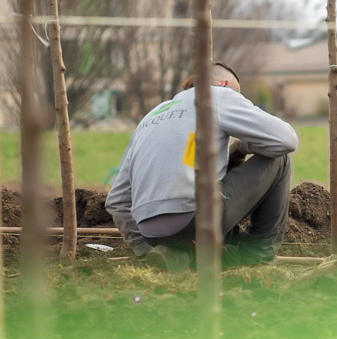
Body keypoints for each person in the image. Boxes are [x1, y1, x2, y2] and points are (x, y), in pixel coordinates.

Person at [105, 62, 299, 268]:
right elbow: (286, 140)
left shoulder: (151, 116)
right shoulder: (217, 95)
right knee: (281, 159)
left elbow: (116, 199)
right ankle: (258, 254)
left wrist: (144, 248)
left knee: (216, 175)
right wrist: (242, 147)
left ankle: (179, 255)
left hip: (151, 233)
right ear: (223, 84)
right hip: (197, 220)